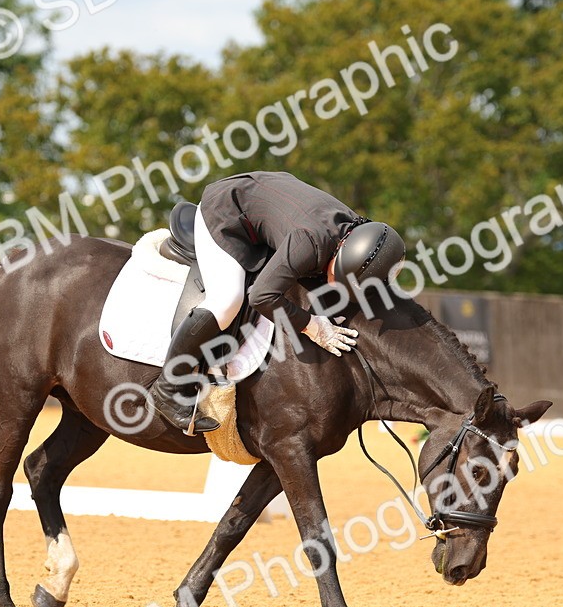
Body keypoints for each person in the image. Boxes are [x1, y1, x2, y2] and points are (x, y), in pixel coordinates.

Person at [150, 171, 406, 434]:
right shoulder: (309, 242)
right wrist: (311, 325)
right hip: (224, 210)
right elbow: (261, 297)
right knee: (227, 300)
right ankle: (167, 388)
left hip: (264, 199)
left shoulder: (359, 231)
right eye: (338, 280)